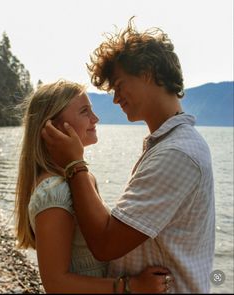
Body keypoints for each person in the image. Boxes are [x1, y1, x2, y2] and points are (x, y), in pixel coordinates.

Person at [42, 18, 215, 293]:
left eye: (119, 85)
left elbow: (105, 244)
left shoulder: (177, 153)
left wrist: (75, 164)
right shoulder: (168, 145)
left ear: (146, 73)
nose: (115, 99)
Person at [14, 79, 173, 294]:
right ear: (54, 126)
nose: (95, 118)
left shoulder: (78, 179)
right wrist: (130, 286)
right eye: (84, 111)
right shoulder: (54, 192)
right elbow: (56, 284)